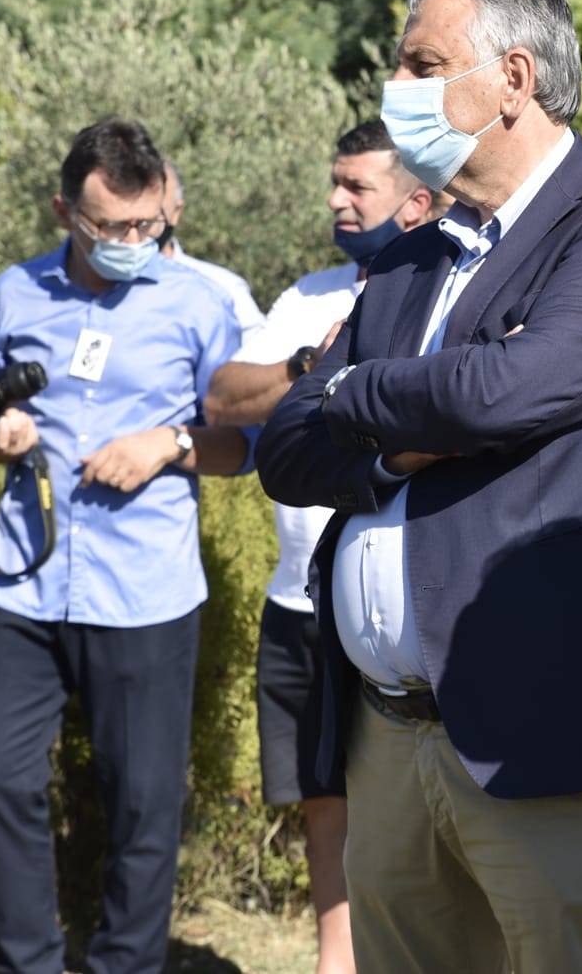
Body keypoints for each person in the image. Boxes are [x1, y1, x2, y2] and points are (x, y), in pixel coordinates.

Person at [254, 0, 582, 974]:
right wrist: (391, 438)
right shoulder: (410, 255)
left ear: (512, 78)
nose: (395, 90)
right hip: (387, 735)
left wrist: (350, 395)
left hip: (541, 734)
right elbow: (283, 446)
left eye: (422, 64)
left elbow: (509, 390)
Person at [0, 118, 252, 974]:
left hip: (144, 591)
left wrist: (169, 442)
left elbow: (241, 448)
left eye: (145, 224)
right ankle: (29, 964)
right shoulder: (14, 292)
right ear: (65, 211)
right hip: (24, 579)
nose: (132, 243)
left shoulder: (199, 301)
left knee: (143, 806)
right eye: (109, 227)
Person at [203, 119, 435, 974]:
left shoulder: (447, 293)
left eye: (356, 187)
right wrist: (313, 358)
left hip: (399, 605)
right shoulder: (308, 296)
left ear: (416, 199)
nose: (336, 201)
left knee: (413, 796)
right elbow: (226, 398)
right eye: (333, 183)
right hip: (299, 602)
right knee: (322, 798)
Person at [159, 160, 267, 345]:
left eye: (154, 208)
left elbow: (260, 359)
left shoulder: (223, 289)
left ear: (176, 211)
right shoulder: (95, 286)